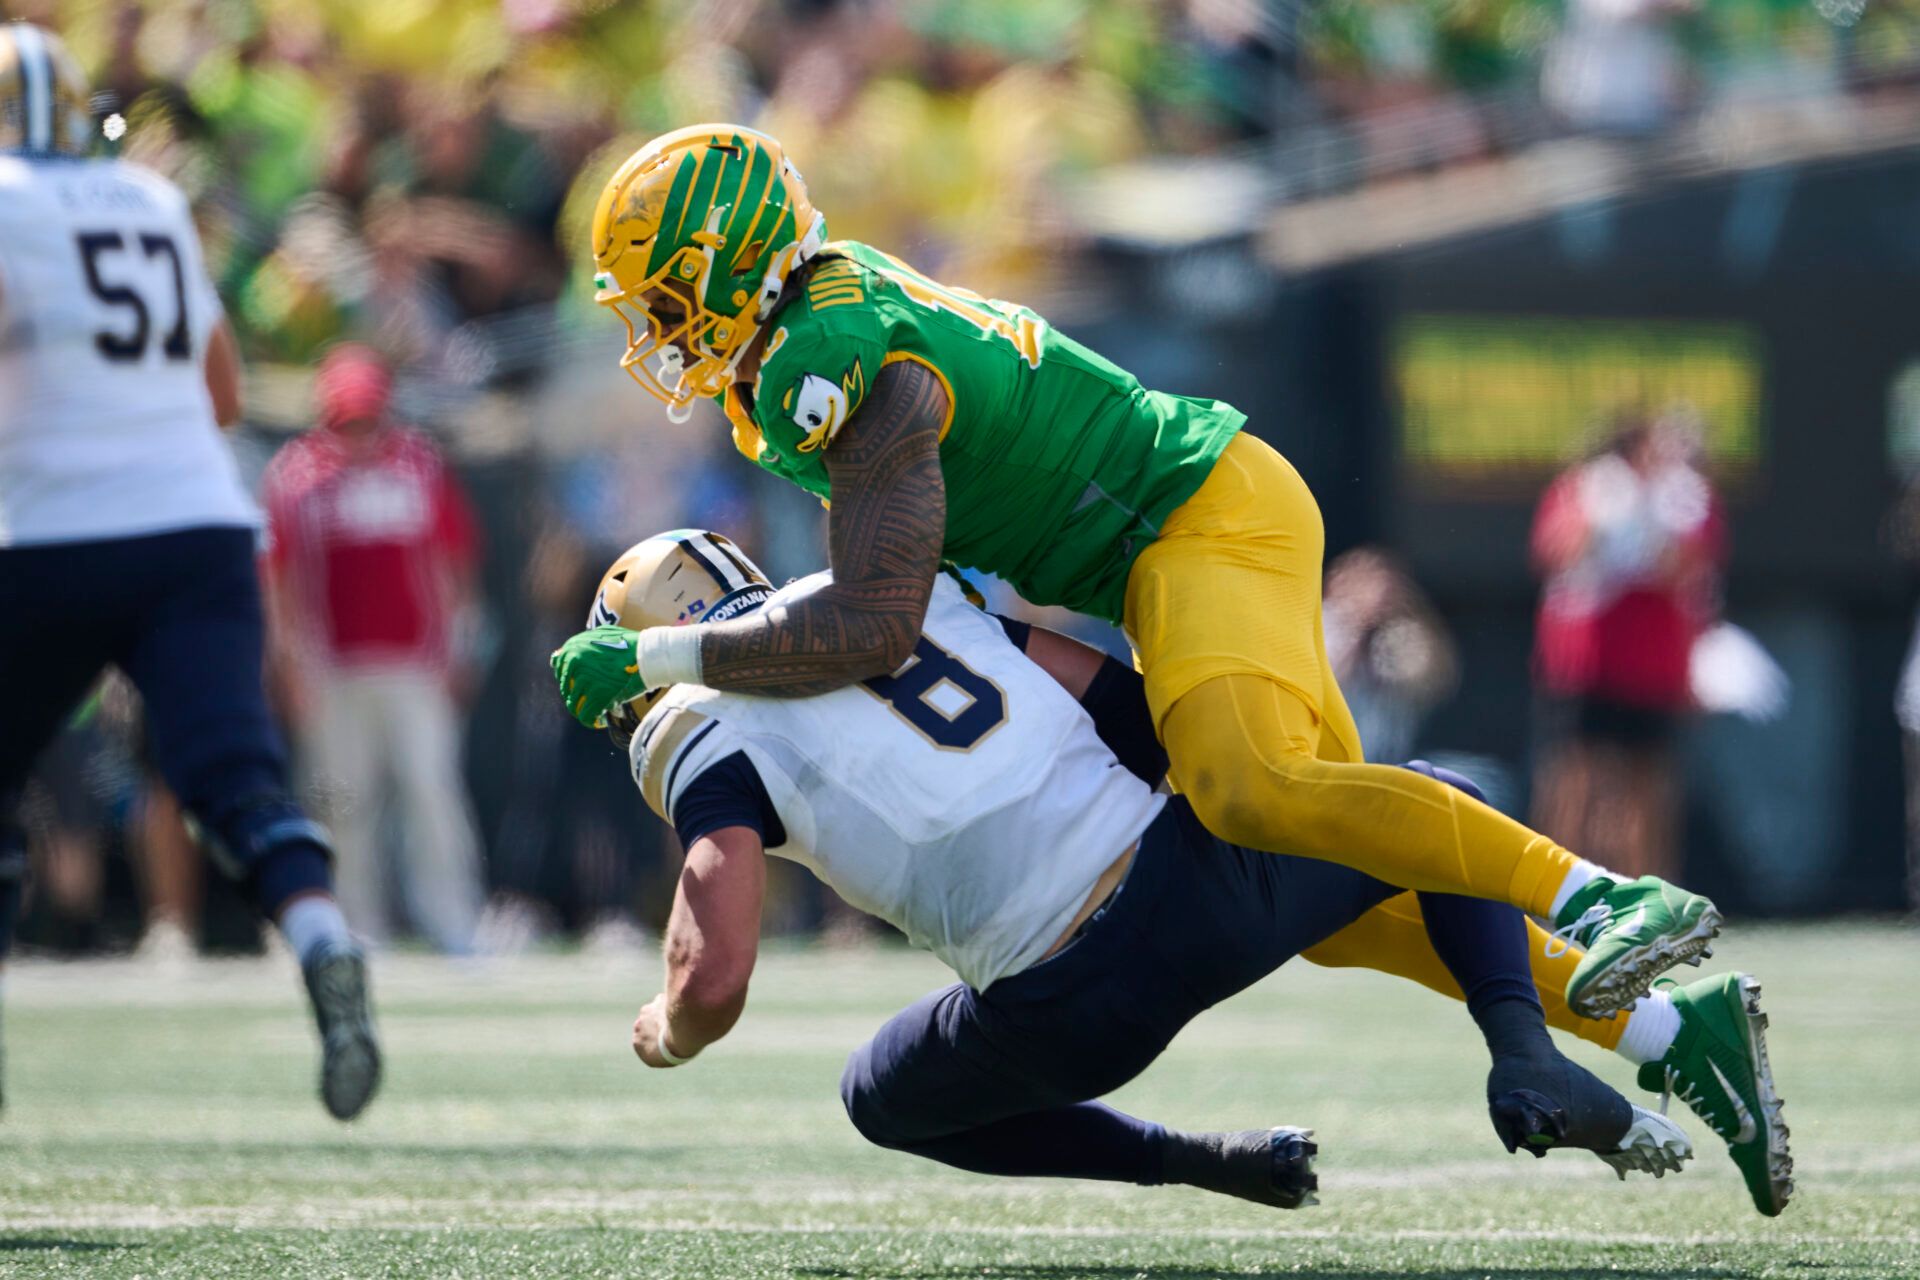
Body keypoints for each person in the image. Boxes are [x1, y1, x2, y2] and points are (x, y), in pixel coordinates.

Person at [551, 124, 1720, 1027]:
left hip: (1197, 513)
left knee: (1251, 790)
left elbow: (876, 623)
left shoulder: (828, 355)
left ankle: (1598, 895)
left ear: (727, 262)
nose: (654, 330)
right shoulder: (799, 351)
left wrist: (659, 653)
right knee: (1307, 880)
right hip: (1157, 555)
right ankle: (1662, 1025)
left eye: (662, 295)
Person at [597, 530, 1791, 1215]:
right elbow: (1109, 694)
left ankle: (1189, 1158)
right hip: (1202, 885)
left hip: (1074, 1006)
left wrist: (666, 1025)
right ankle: (1525, 1044)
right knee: (1432, 809)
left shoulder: (700, 721)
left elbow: (720, 968)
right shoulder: (894, 596)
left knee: (882, 1095)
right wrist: (1224, 819)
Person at [0, 23, 378, 1120]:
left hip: (52, 530)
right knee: (233, 776)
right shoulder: (150, 200)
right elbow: (217, 393)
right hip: (200, 524)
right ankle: (318, 932)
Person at [262, 343, 487, 953]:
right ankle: (355, 926)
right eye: (347, 421)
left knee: (431, 791)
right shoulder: (294, 476)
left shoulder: (420, 465)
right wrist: (287, 664)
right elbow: (278, 578)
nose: (359, 434)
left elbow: (453, 559)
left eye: (368, 419)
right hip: (330, 668)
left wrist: (464, 643)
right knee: (340, 801)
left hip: (415, 665)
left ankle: (453, 921)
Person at [1529, 415, 1726, 882]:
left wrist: (1652, 522)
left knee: (1649, 783)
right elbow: (1555, 554)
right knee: (1577, 779)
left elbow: (1686, 567)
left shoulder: (1690, 500)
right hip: (1586, 663)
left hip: (1655, 664)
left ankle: (1647, 893)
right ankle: (1553, 892)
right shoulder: (1584, 489)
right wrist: (1604, 519)